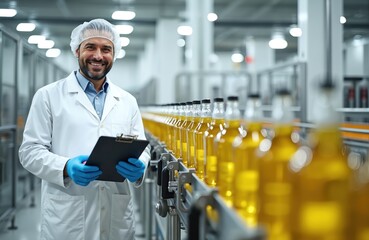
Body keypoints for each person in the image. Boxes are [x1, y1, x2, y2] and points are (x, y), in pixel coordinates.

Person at [18, 18, 150, 240]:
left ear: (113, 54)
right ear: (77, 51)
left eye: (106, 49)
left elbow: (141, 147)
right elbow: (29, 151)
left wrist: (141, 167)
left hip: (115, 217)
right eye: (91, 47)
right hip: (67, 218)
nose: (98, 55)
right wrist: (66, 166)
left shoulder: (127, 100)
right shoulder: (48, 96)